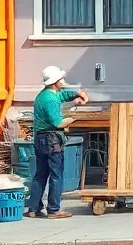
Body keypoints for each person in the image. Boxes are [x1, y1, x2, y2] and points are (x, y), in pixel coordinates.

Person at [25, 66, 87, 219]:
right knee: (56, 175)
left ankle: (33, 208)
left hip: (40, 139)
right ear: (55, 82)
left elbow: (62, 95)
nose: (63, 81)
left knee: (40, 174)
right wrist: (74, 119)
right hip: (51, 140)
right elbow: (58, 123)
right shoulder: (50, 99)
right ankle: (53, 209)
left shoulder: (44, 95)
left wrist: (77, 94)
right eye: (61, 79)